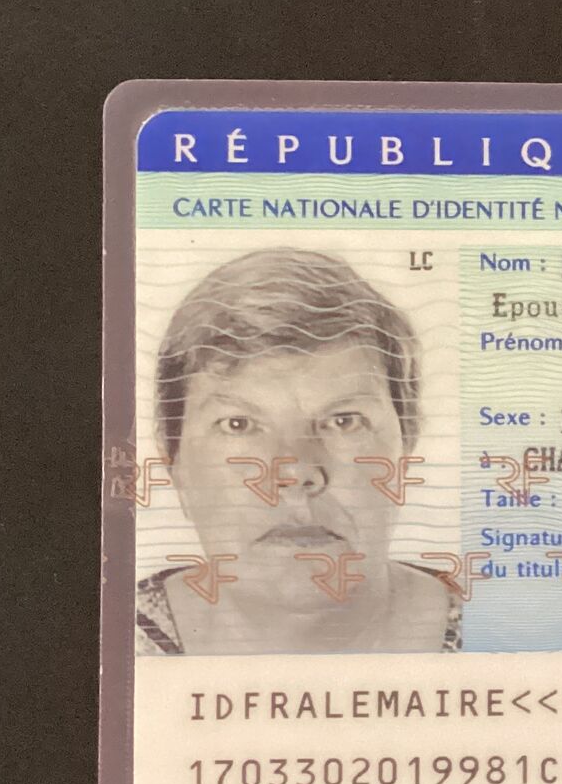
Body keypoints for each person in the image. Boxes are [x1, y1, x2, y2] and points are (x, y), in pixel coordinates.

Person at [134, 247, 459, 654]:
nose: (295, 471)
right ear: (173, 462)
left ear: (405, 449)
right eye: (238, 425)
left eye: (344, 421)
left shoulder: (514, 628)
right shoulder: (102, 641)